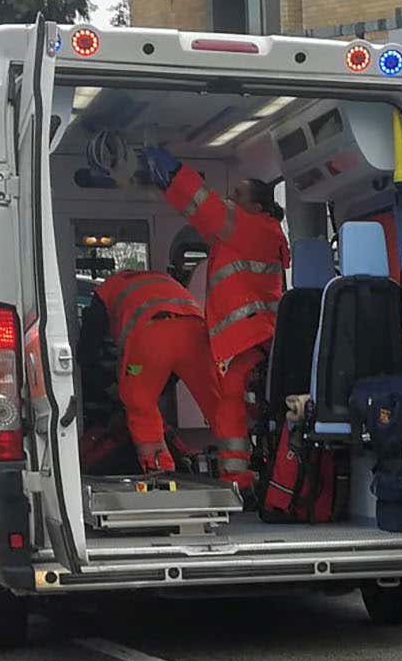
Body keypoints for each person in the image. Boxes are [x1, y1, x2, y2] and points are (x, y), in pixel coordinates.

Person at [141, 148, 290, 491]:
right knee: (234, 407)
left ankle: (238, 477)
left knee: (230, 408)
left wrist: (174, 171)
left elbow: (205, 205)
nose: (229, 199)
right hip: (250, 337)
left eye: (237, 195)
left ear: (257, 206)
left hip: (249, 337)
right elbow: (199, 213)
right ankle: (242, 473)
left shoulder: (251, 228)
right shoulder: (246, 232)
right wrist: (168, 187)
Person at [75, 270, 224, 474]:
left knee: (139, 404)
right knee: (220, 405)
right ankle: (241, 469)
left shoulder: (106, 290)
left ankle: (159, 471)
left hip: (151, 335)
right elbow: (170, 370)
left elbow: (86, 351)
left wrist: (110, 389)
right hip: (197, 332)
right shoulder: (161, 280)